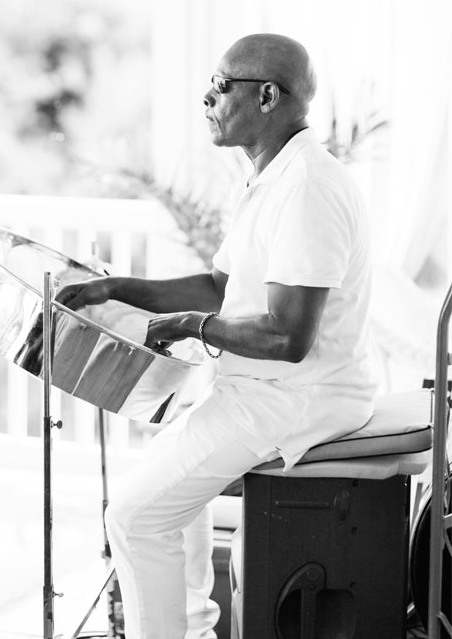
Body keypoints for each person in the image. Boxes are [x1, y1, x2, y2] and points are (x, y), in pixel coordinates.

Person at [55, 33, 376, 639]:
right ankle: (194, 630)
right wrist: (114, 289)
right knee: (168, 492)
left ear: (267, 96)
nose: (207, 96)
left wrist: (191, 328)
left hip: (298, 396)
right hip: (261, 387)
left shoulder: (308, 186)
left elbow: (288, 338)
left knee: (132, 514)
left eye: (222, 84)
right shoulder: (268, 176)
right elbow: (218, 284)